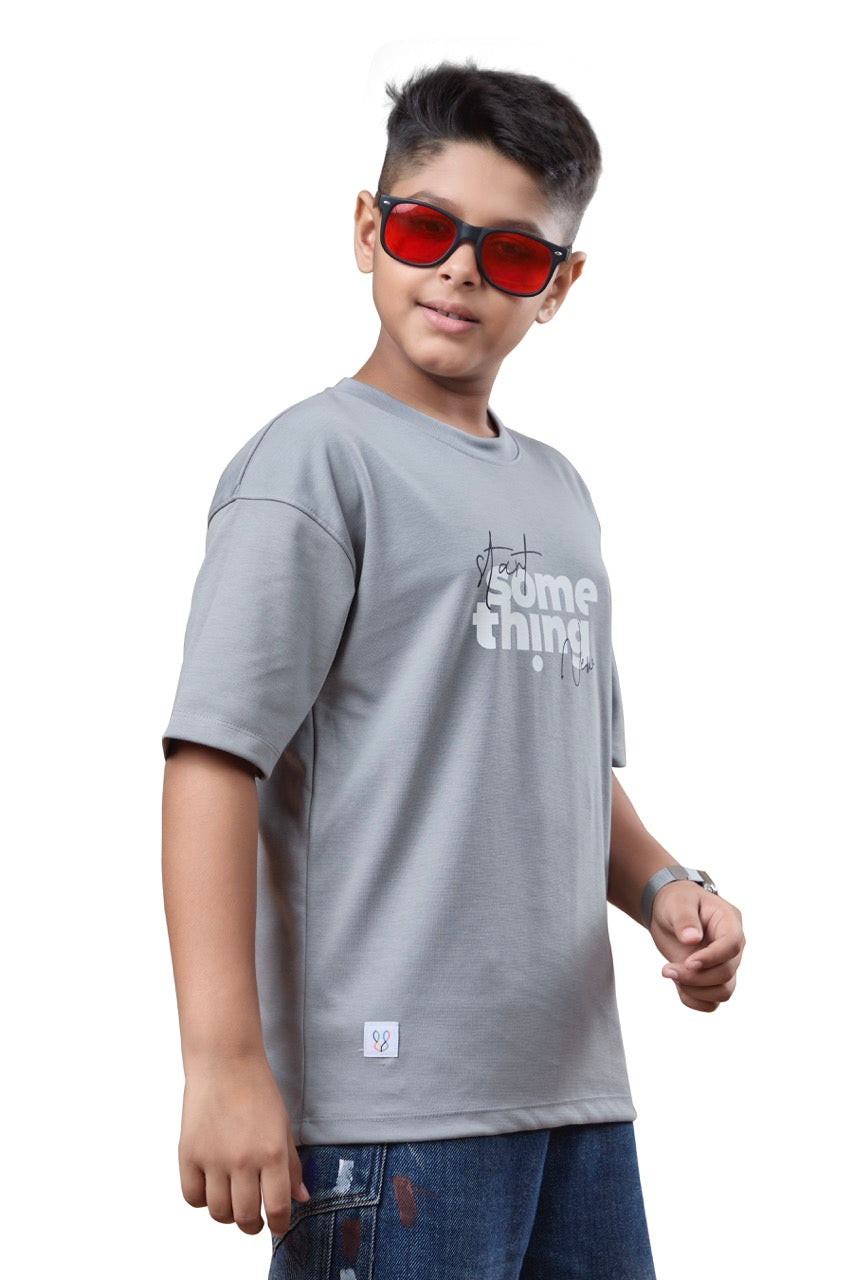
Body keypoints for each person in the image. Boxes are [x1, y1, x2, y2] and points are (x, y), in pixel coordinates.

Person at [161, 58, 746, 1280]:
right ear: (367, 230)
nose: (461, 271)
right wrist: (222, 1061)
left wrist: (664, 886)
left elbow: (561, 766)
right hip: (389, 1114)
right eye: (427, 229)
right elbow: (214, 759)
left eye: (513, 253)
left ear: (558, 285)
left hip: (573, 1096)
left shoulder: (560, 491)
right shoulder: (313, 465)